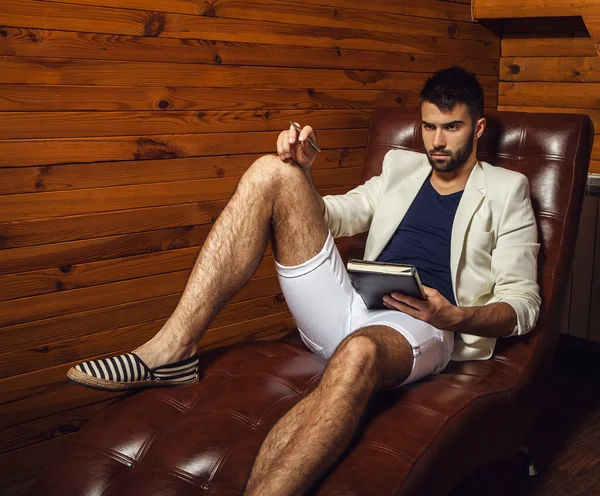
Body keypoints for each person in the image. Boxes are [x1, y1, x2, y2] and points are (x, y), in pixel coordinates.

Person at [67, 66, 541, 495]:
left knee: (359, 352)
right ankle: (172, 350)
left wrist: (454, 314)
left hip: (422, 324)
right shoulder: (403, 166)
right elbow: (334, 215)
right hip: (350, 303)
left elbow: (523, 303)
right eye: (429, 126)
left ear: (476, 128)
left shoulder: (506, 190)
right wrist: (303, 175)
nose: (436, 141)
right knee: (273, 171)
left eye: (451, 128)